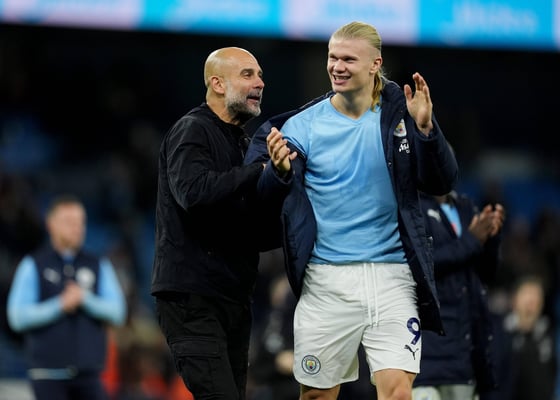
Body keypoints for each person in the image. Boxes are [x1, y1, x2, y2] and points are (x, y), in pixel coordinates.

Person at [246, 21, 458, 400]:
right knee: (317, 395)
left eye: (348, 59)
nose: (337, 66)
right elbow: (261, 202)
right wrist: (277, 172)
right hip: (326, 280)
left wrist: (427, 130)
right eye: (332, 57)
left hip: (393, 277)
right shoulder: (301, 127)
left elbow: (441, 182)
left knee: (398, 393)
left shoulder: (403, 117)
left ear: (375, 64)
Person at [151, 47, 294, 400]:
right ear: (217, 83)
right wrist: (258, 170)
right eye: (247, 74)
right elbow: (193, 193)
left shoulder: (243, 143)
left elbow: (254, 231)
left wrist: (280, 180)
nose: (260, 82)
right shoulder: (192, 129)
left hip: (234, 299)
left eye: (260, 75)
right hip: (193, 298)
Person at [6, 194, 127, 400]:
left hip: (89, 373)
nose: (77, 228)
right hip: (47, 374)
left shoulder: (98, 264)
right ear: (51, 224)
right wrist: (59, 305)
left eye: (81, 222)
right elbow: (17, 317)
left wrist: (85, 300)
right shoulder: (33, 264)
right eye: (69, 222)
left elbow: (118, 312)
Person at [411, 191, 505, 400]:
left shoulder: (465, 206)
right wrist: (471, 240)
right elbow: (419, 264)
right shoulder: (410, 206)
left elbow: (485, 274)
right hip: (426, 359)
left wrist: (491, 237)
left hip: (464, 358)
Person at [481, 276, 557, 400]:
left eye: (536, 299)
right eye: (527, 297)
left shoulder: (546, 337)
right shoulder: (499, 333)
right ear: (514, 300)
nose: (531, 304)